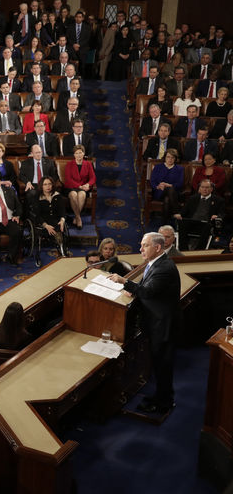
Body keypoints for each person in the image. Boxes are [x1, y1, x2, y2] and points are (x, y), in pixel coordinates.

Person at [108, 233, 180, 414]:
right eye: (141, 245)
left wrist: (125, 281)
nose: (140, 249)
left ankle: (164, 403)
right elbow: (146, 283)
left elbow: (148, 291)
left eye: (145, 245)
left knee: (162, 365)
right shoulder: (155, 263)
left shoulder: (165, 267)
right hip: (156, 322)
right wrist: (133, 290)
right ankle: (161, 397)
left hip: (163, 326)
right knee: (158, 364)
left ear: (157, 248)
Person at [174, 179, 225, 250]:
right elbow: (184, 211)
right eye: (202, 187)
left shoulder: (218, 200)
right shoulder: (193, 198)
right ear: (199, 188)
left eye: (207, 187)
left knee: (207, 227)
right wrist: (179, 214)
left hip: (206, 223)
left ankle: (199, 250)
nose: (204, 189)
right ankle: (183, 249)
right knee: (182, 224)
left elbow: (222, 213)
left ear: (211, 189)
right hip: (192, 221)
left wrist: (217, 216)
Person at [31, 177, 67, 258]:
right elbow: (37, 215)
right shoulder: (37, 197)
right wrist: (46, 225)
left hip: (55, 220)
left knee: (58, 226)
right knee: (55, 229)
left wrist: (62, 220)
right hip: (42, 221)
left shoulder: (57, 195)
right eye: (45, 184)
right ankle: (61, 249)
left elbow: (62, 211)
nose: (48, 186)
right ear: (41, 186)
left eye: (50, 184)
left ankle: (62, 249)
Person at [63, 144, 95, 228]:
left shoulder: (88, 164)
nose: (78, 155)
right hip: (71, 187)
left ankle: (76, 217)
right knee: (73, 194)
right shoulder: (69, 164)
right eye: (76, 153)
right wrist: (80, 186)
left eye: (80, 153)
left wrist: (88, 184)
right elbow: (68, 179)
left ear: (83, 153)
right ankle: (78, 218)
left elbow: (93, 178)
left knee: (82, 195)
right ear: (74, 155)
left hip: (84, 188)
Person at [149, 149, 183, 220]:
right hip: (159, 192)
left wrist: (169, 185)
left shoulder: (180, 169)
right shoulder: (158, 167)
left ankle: (164, 224)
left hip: (174, 193)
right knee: (168, 192)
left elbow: (180, 183)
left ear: (175, 159)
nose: (170, 159)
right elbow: (152, 181)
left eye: (172, 157)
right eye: (168, 157)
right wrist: (157, 186)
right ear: (165, 157)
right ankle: (176, 212)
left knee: (167, 199)